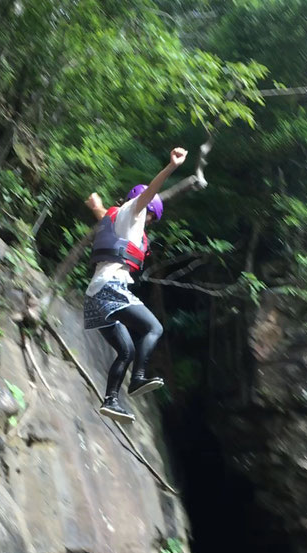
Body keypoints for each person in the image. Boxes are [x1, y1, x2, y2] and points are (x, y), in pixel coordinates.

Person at [84, 147, 188, 423]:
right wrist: (171, 167)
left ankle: (111, 400)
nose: (149, 222)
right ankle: (138, 378)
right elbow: (149, 192)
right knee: (154, 327)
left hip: (94, 298)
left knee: (127, 350)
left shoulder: (118, 220)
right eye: (151, 216)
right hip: (111, 288)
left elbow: (102, 213)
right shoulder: (134, 211)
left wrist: (95, 205)